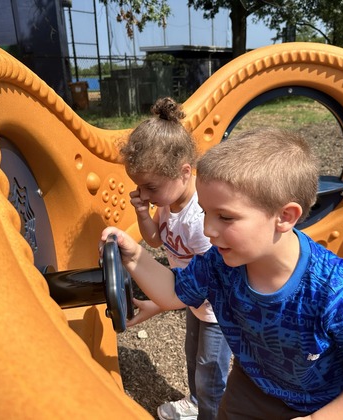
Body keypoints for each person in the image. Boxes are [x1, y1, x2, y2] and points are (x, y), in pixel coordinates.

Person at [101, 128, 343, 419]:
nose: (208, 229)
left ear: (284, 217)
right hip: (250, 387)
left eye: (225, 216)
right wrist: (133, 255)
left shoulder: (338, 294)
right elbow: (172, 292)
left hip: (322, 404)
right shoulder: (220, 264)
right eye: (206, 212)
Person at [119, 97, 232, 420]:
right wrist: (144, 212)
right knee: (192, 355)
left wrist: (163, 302)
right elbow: (155, 238)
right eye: (139, 187)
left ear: (184, 172)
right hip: (192, 299)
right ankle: (196, 403)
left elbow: (214, 279)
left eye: (148, 187)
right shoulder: (167, 200)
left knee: (210, 370)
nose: (142, 194)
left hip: (214, 307)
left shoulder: (200, 220)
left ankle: (211, 412)